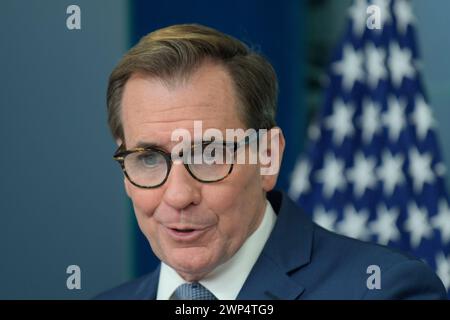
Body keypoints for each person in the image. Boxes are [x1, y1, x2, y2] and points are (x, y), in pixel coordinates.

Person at [96, 24, 447, 300]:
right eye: (149, 158)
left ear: (268, 157)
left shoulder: (385, 291)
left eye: (209, 154)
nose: (177, 196)